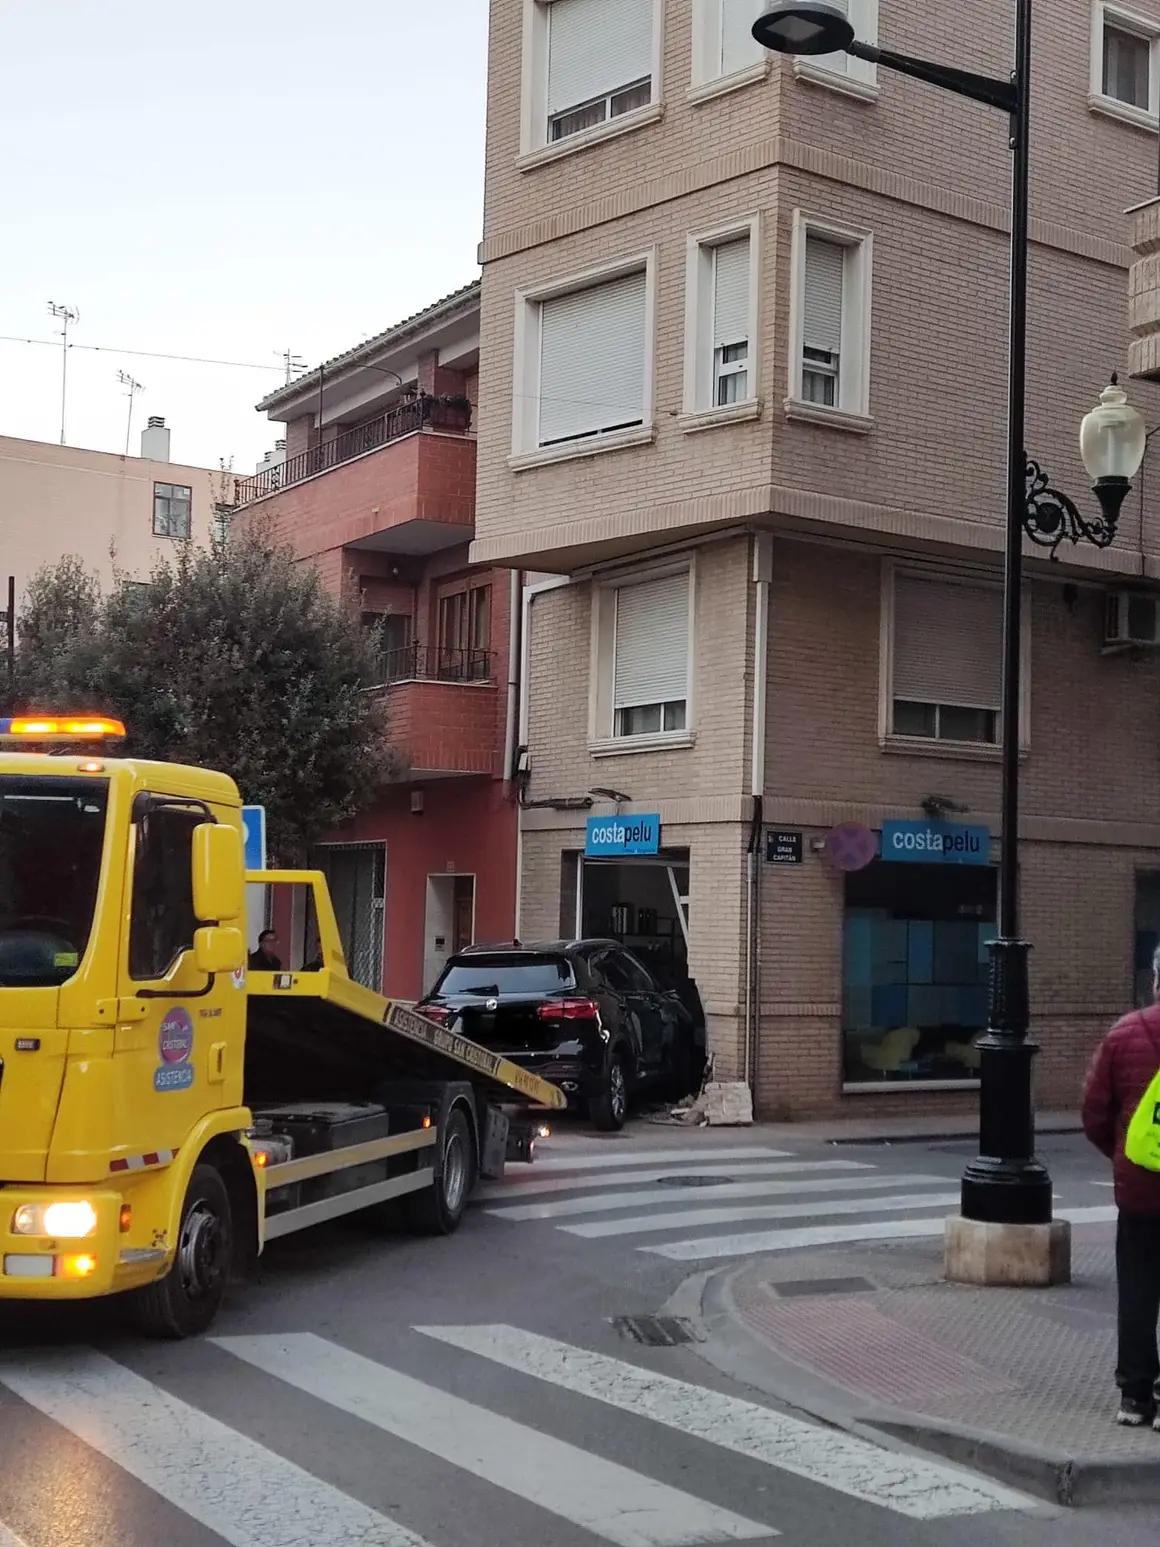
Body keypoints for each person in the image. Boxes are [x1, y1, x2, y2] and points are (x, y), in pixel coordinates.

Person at [1082, 945, 1160, 1429]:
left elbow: (1094, 1111)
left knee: (1136, 1290)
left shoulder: (1124, 1033)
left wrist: (1122, 1155)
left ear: (1155, 980)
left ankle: (1135, 1396)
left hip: (1139, 1189)